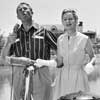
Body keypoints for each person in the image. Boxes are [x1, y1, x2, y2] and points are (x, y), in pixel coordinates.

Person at [35, 9, 95, 100]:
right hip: (62, 78)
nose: (68, 21)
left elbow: (93, 56)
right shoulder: (60, 39)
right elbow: (59, 62)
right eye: (65, 19)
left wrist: (90, 64)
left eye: (70, 19)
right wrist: (44, 62)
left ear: (76, 20)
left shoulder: (84, 39)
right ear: (62, 21)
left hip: (78, 77)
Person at [2, 2, 57, 100]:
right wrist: (8, 42)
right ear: (18, 16)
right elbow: (3, 58)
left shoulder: (44, 31)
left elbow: (60, 52)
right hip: (20, 73)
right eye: (20, 10)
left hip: (41, 73)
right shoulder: (15, 35)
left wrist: (57, 73)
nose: (23, 10)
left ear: (32, 12)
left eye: (25, 8)